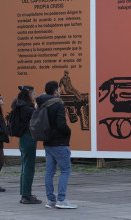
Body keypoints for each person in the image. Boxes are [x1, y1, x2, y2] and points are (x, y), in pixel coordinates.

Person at [36, 81, 77, 209]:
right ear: (55, 91)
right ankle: (61, 199)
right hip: (59, 141)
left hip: (47, 142)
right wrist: (68, 131)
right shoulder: (58, 103)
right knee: (65, 170)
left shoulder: (41, 103)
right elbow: (61, 124)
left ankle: (51, 200)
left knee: (49, 172)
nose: (60, 91)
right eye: (59, 89)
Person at [11, 85, 42, 204]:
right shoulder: (28, 109)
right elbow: (38, 117)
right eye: (34, 93)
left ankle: (25, 193)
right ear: (28, 94)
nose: (35, 95)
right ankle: (26, 195)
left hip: (24, 139)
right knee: (29, 167)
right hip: (28, 138)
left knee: (25, 167)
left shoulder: (20, 106)